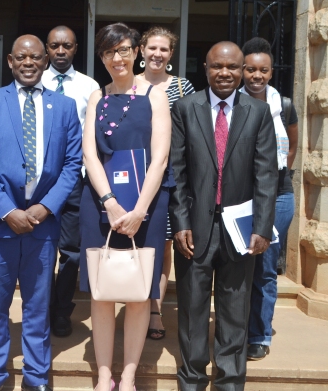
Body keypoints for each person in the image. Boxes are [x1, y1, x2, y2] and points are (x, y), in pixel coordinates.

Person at [0, 35, 81, 391]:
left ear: (46, 60)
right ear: (10, 61)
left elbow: (72, 164)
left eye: (36, 56)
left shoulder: (63, 107)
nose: (29, 62)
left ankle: (36, 378)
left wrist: (45, 207)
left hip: (43, 226)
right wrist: (6, 211)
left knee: (37, 309)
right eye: (22, 57)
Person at [169, 41, 277, 390]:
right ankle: (192, 381)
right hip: (195, 230)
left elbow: (265, 174)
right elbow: (177, 171)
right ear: (205, 68)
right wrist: (181, 223)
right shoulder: (186, 108)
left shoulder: (257, 112)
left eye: (234, 67)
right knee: (192, 313)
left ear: (244, 70)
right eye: (218, 67)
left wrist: (261, 226)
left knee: (234, 312)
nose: (226, 74)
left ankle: (230, 383)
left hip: (240, 231)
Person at [79, 23, 171, 391]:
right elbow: (90, 153)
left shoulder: (155, 95)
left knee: (137, 295)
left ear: (136, 52)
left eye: (123, 50)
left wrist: (139, 210)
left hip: (146, 204)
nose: (117, 58)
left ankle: (129, 375)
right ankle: (104, 375)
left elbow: (160, 158)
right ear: (101, 57)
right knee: (102, 294)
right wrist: (111, 203)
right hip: (100, 205)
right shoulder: (95, 97)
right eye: (108, 52)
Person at [239, 37, 299, 361]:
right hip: (241, 196)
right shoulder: (232, 104)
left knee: (263, 266)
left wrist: (277, 174)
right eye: (250, 69)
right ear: (242, 70)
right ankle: (236, 328)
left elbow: (292, 145)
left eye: (263, 70)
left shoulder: (284, 105)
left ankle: (259, 334)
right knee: (238, 265)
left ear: (271, 72)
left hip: (278, 195)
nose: (256, 76)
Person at [136, 26, 195, 341]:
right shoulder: (128, 85)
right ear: (142, 49)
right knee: (140, 242)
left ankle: (154, 309)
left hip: (173, 176)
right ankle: (135, 304)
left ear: (171, 54)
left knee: (165, 244)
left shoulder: (183, 87)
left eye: (164, 49)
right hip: (136, 175)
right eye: (152, 48)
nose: (157, 54)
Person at [41, 25, 100, 338]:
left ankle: (61, 310)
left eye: (66, 46)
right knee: (41, 248)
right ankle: (41, 308)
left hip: (76, 180)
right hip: (40, 181)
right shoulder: (34, 80)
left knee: (71, 251)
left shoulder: (90, 87)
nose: (60, 52)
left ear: (76, 48)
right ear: (47, 48)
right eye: (54, 46)